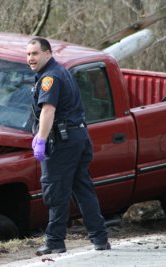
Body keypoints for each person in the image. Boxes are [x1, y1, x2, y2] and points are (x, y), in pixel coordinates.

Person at [26, 37, 110, 256]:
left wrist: (41, 139)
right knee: (83, 188)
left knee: (55, 191)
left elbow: (48, 110)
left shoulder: (50, 77)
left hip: (63, 140)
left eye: (35, 54)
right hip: (78, 135)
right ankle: (99, 238)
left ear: (47, 53)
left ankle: (55, 241)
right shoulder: (61, 71)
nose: (30, 59)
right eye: (28, 54)